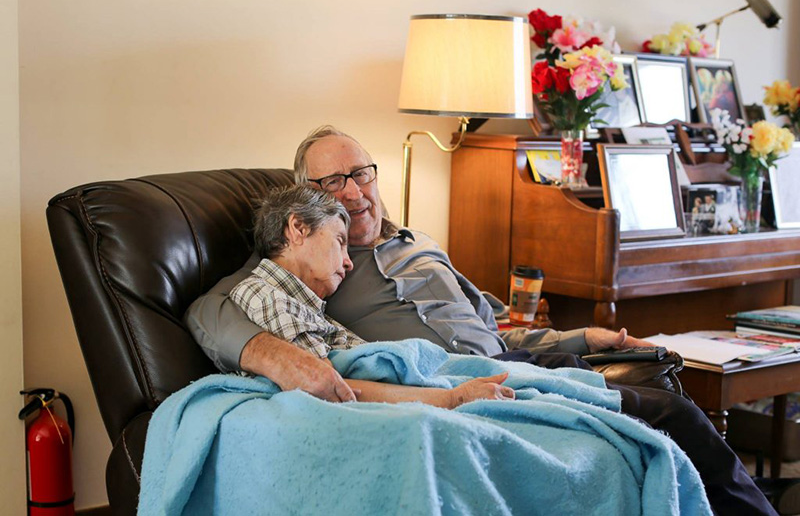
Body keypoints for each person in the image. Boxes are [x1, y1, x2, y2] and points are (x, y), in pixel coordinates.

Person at [186, 125, 778, 515]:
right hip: (455, 377)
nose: (356, 191)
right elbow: (210, 308)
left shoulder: (417, 243)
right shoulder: (316, 258)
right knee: (669, 413)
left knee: (668, 408)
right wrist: (269, 352)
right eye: (333, 181)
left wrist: (579, 338)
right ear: (305, 201)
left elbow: (493, 322)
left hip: (511, 358)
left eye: (362, 173)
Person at [231, 184, 515, 409]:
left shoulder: (305, 306)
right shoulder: (263, 295)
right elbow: (331, 389)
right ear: (298, 229)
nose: (348, 262)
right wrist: (455, 398)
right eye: (340, 241)